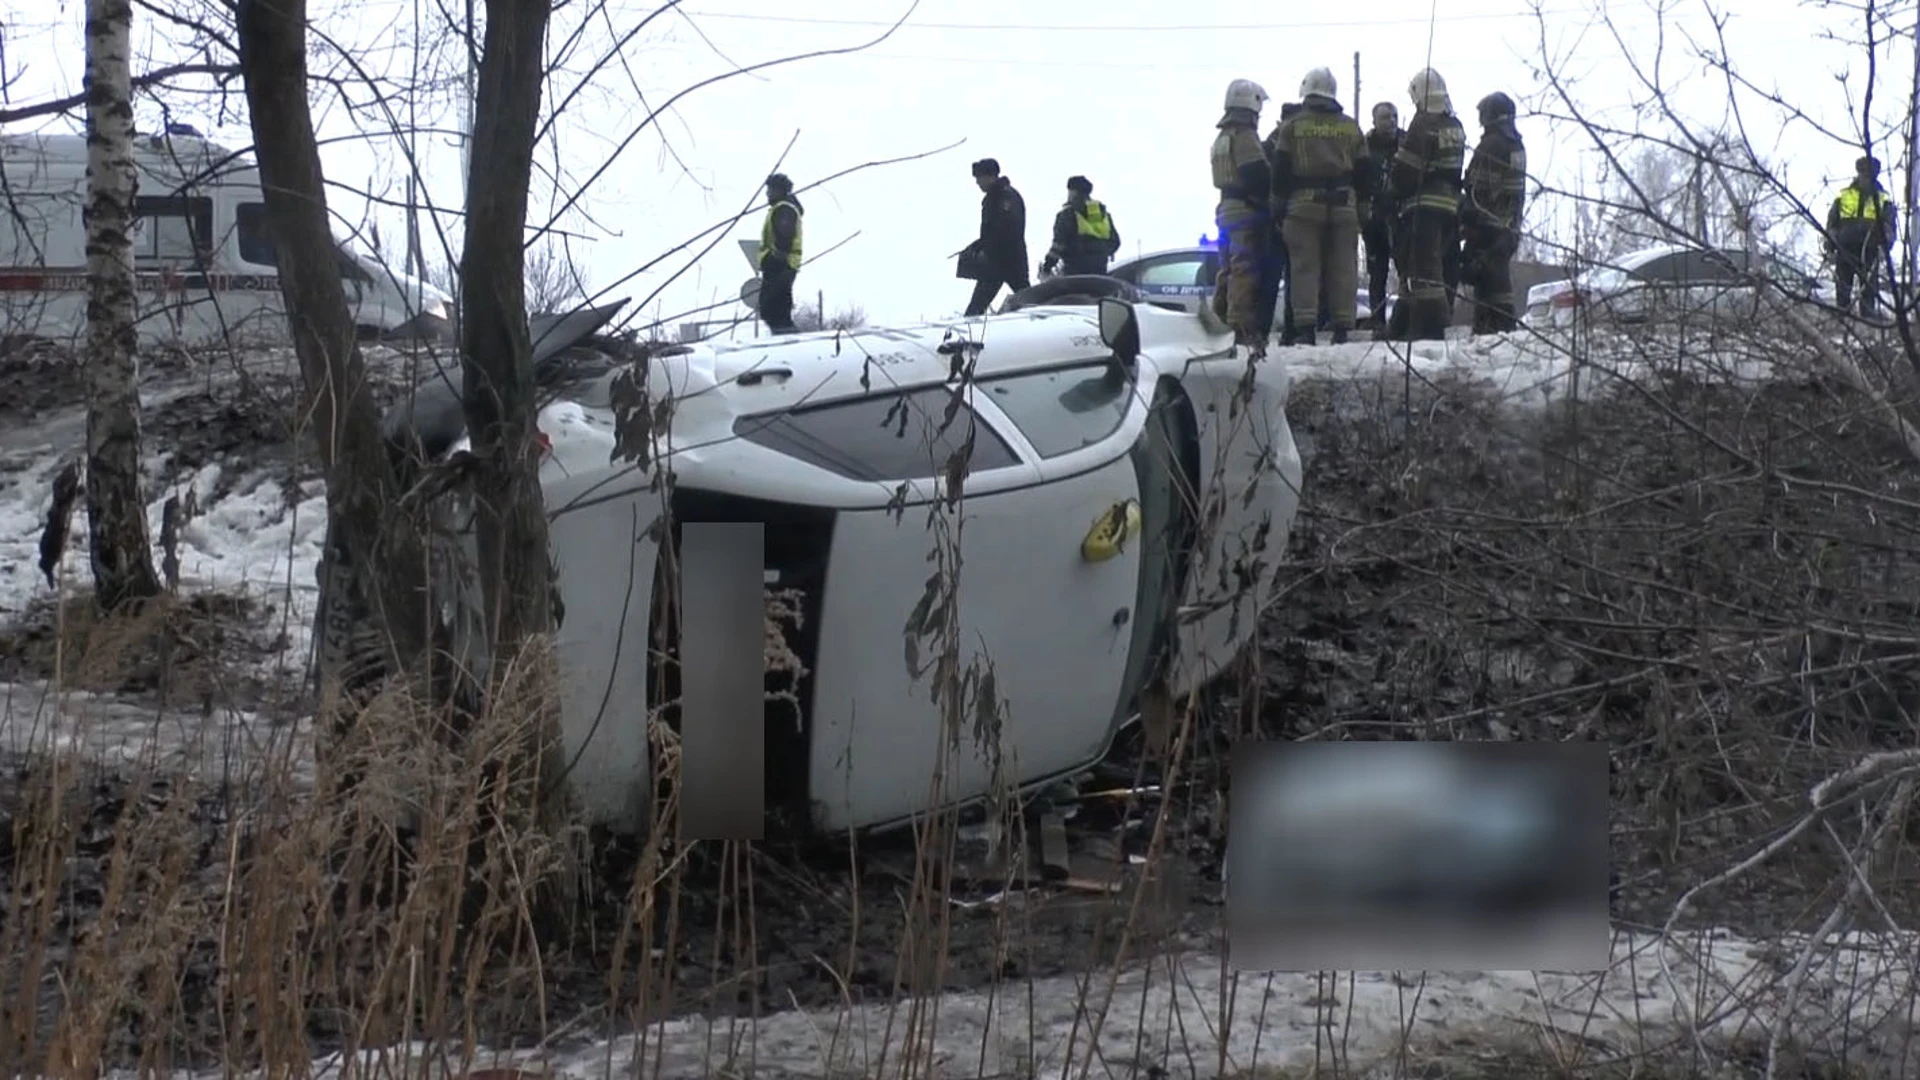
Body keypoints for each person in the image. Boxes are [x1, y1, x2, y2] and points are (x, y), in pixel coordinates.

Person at [1270, 67, 1371, 346]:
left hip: (1303, 206)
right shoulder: (1351, 127)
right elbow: (1365, 171)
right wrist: (1364, 206)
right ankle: (1341, 329)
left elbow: (1280, 171)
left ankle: (1306, 329)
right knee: (1343, 268)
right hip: (1344, 205)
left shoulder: (1292, 126)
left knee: (1305, 268)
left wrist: (1276, 208)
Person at [1383, 68, 1467, 341]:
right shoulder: (1455, 127)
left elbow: (1406, 172)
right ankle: (1400, 327)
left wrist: (1390, 193)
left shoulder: (1422, 124)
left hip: (1423, 208)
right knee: (1424, 270)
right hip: (1450, 207)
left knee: (1423, 270)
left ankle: (1432, 328)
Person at [1211, 78, 1273, 354]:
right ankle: (1240, 329)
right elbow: (1256, 173)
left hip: (1225, 210)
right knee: (1244, 271)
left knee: (1227, 271)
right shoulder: (1245, 134)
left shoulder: (1221, 137)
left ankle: (1219, 321)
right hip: (1246, 211)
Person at [1459, 91, 1528, 334]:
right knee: (1498, 277)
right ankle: (1502, 326)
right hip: (1509, 224)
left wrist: (1467, 217)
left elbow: (1477, 188)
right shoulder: (1516, 145)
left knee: (1486, 277)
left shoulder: (1492, 144)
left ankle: (1491, 327)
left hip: (1488, 224)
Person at [1825, 155, 1897, 317]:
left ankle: (1868, 325)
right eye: (1863, 174)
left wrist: (1885, 246)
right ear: (1858, 173)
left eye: (1869, 174)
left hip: (1870, 251)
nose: (1866, 178)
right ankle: (1842, 321)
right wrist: (1830, 245)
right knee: (1843, 290)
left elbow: (1890, 227)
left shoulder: (1883, 199)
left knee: (1869, 292)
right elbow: (1832, 223)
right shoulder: (1844, 196)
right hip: (1845, 248)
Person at [961, 158, 1029, 316]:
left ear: (990, 176)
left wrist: (986, 249)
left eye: (979, 178)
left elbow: (1007, 230)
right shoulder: (997, 196)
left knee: (976, 308)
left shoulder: (1004, 197)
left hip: (1005, 260)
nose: (977, 182)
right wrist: (978, 246)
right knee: (1028, 299)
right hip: (1004, 259)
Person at [1362, 102, 1403, 329]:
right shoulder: (1365, 146)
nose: (1392, 121)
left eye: (1395, 116)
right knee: (1377, 271)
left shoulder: (1406, 142)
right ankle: (1377, 319)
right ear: (1375, 121)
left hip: (1401, 216)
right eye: (1386, 117)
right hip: (1375, 217)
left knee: (1405, 267)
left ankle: (1404, 317)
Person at [1041, 175, 1122, 277]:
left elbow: (1058, 246)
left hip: (1075, 271)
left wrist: (1047, 267)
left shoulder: (1067, 214)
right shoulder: (1103, 214)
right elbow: (1116, 242)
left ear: (1073, 191)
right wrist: (1101, 253)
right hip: (1099, 272)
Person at [756, 173, 803, 334]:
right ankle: (786, 337)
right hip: (781, 265)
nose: (767, 193)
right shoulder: (781, 208)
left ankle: (789, 341)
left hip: (781, 265)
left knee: (775, 310)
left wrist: (773, 259)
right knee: (773, 310)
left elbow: (784, 238)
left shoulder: (784, 209)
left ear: (780, 190)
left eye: (770, 189)